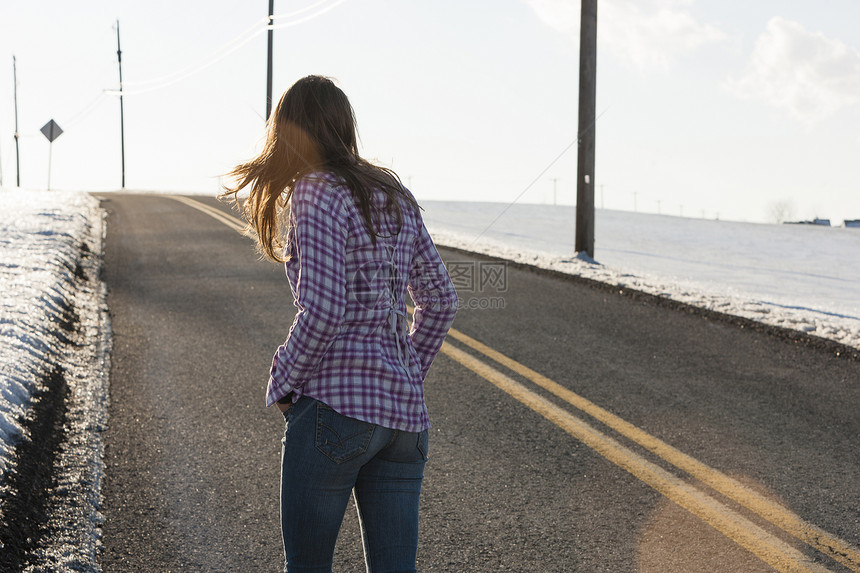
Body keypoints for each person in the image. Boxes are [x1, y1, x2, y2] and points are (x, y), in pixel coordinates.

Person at [220, 75, 458, 573]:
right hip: (404, 422)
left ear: (287, 133)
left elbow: (325, 309)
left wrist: (283, 379)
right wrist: (404, 372)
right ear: (344, 126)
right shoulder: (393, 192)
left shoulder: (315, 192)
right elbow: (441, 301)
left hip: (334, 410)